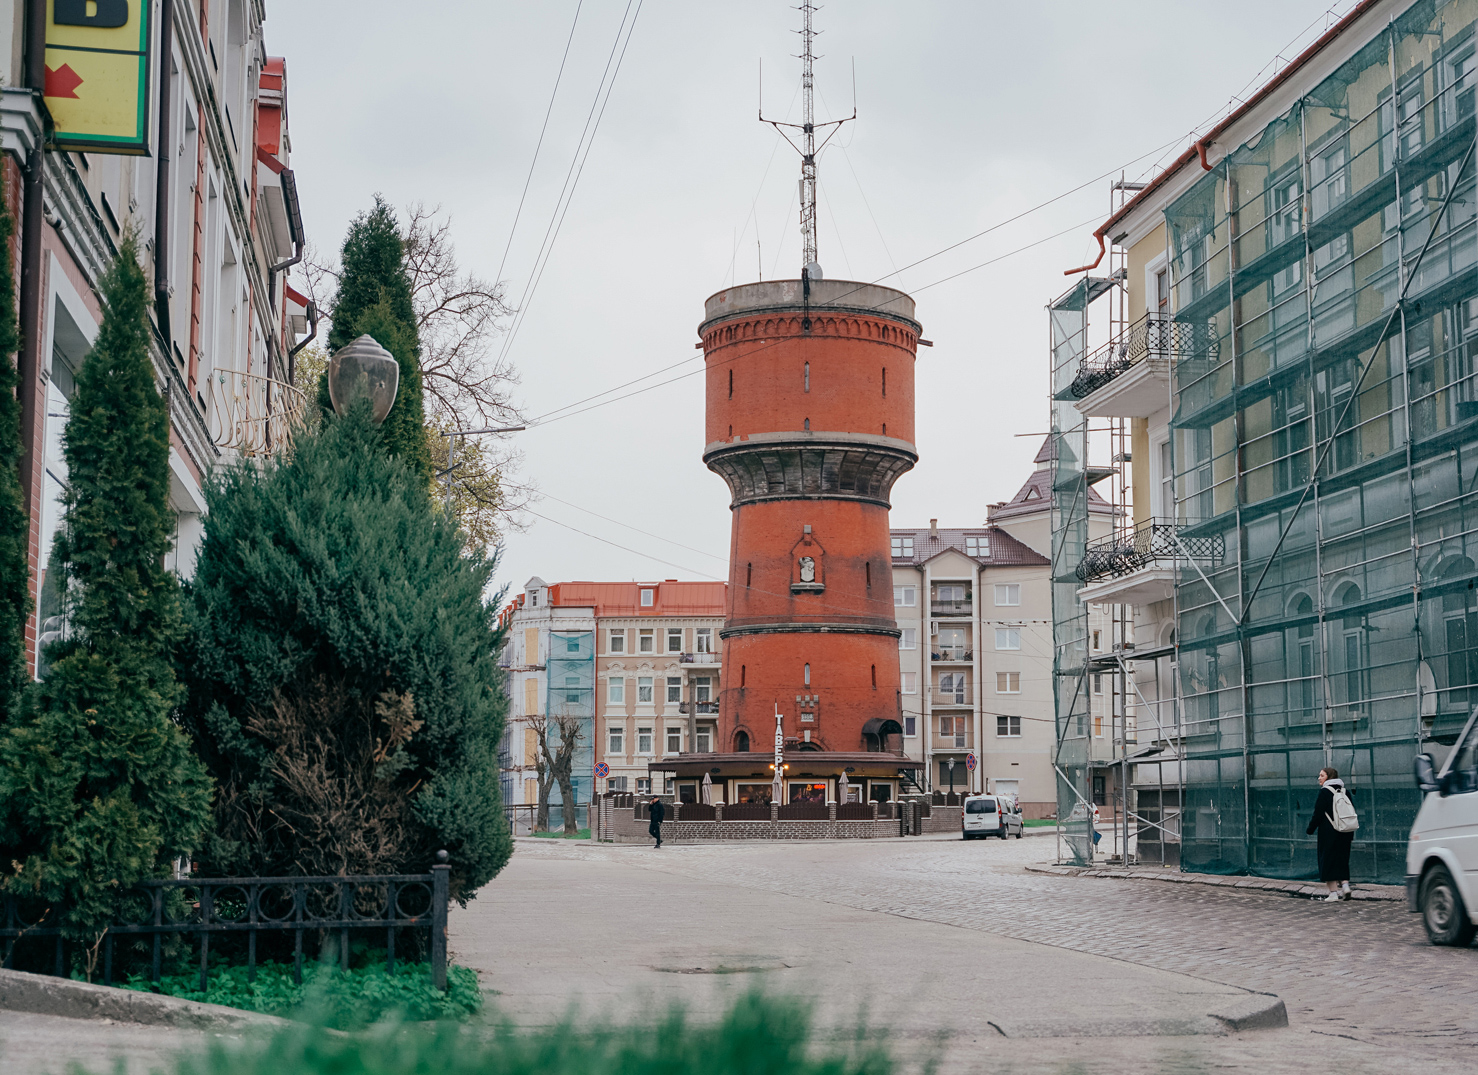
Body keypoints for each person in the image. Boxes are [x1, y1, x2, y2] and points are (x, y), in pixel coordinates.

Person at [1305, 767, 1354, 901]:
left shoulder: (1325, 792)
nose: (1319, 778)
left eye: (1321, 775)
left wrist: (1310, 829)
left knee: (1327, 861)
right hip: (1345, 831)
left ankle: (1333, 894)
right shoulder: (1345, 791)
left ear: (1328, 777)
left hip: (1329, 832)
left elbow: (1318, 814)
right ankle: (1345, 886)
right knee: (1342, 859)